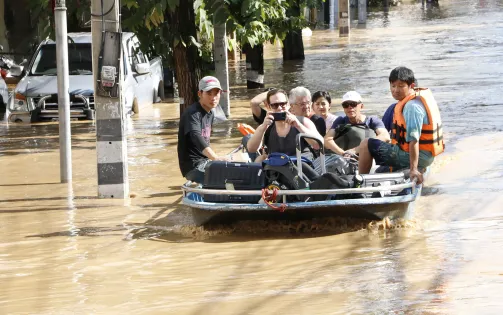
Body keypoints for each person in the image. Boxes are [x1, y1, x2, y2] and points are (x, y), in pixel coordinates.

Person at [358, 67, 445, 184]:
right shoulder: (412, 100)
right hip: (425, 155)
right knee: (380, 170)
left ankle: (359, 183)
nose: (396, 90)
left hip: (418, 156)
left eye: (401, 86)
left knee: (366, 144)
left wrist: (413, 169)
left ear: (411, 86)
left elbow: (414, 140)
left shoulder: (411, 107)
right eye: (393, 86)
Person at [177, 76, 231, 183]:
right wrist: (215, 158)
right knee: (228, 180)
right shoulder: (192, 113)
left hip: (205, 161)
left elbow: (205, 141)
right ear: (200, 94)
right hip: (193, 166)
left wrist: (215, 160)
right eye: (209, 93)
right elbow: (196, 136)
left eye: (216, 93)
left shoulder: (210, 113)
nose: (213, 97)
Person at [246, 89, 322, 163]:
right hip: (277, 171)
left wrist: (298, 125)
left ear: (288, 105)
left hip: (301, 169)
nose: (279, 108)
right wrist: (263, 127)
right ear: (269, 107)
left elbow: (319, 145)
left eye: (282, 104)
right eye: (275, 105)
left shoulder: (303, 121)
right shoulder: (266, 126)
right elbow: (251, 149)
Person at [324, 91, 390, 156]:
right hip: (344, 158)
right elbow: (327, 140)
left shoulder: (372, 120)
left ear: (361, 106)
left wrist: (355, 150)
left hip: (367, 158)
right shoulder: (341, 121)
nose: (350, 107)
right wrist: (344, 154)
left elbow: (385, 136)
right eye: (346, 105)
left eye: (353, 104)